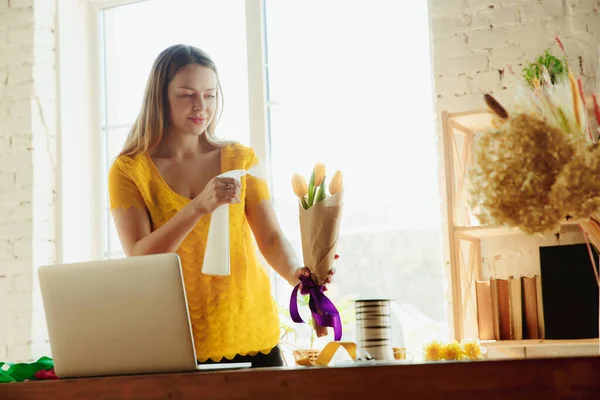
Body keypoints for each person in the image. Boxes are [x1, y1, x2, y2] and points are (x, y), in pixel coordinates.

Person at [107, 44, 333, 368]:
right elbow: (141, 258)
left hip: (253, 337)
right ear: (160, 98)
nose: (201, 106)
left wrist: (299, 275)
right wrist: (200, 205)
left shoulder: (240, 158)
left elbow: (270, 238)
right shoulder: (129, 171)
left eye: (210, 95)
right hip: (176, 345)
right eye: (187, 95)